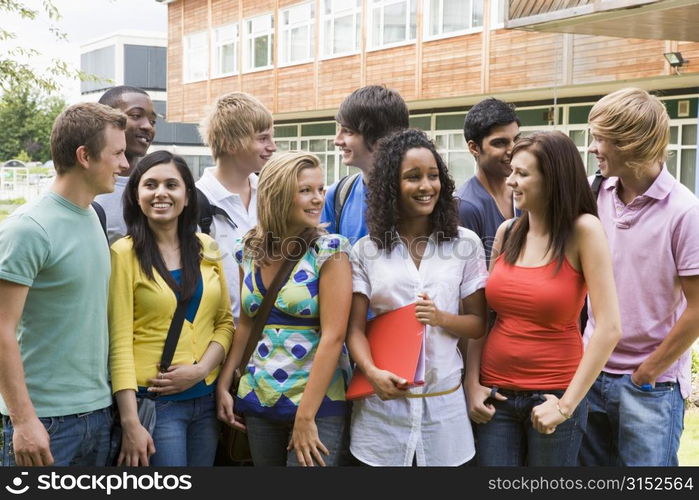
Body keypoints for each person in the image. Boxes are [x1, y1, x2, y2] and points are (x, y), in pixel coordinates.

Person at [466, 131, 622, 466]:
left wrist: (565, 406)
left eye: (522, 173)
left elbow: (609, 327)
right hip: (497, 398)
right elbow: (484, 318)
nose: (510, 182)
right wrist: (472, 383)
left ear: (552, 178)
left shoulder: (584, 231)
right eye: (511, 172)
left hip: (554, 396)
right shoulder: (508, 232)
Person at [346, 129, 488, 466]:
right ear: (391, 186)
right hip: (382, 422)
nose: (426, 186)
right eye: (413, 177)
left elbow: (478, 324)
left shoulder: (464, 244)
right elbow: (353, 330)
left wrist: (441, 318)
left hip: (445, 420)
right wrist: (371, 372)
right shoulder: (366, 250)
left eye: (433, 176)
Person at [0, 102, 128, 466]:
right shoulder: (28, 228)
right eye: (117, 153)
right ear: (84, 156)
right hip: (45, 423)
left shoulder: (93, 216)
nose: (125, 165)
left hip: (99, 415)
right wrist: (24, 420)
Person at [579, 88, 699, 466]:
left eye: (601, 139)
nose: (593, 148)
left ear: (630, 143)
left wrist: (648, 371)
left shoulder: (685, 212)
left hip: (650, 387)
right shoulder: (593, 194)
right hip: (589, 373)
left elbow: (697, 309)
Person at [217, 151, 352, 467]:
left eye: (320, 189)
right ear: (276, 195)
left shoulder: (330, 250)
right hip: (259, 396)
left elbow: (334, 336)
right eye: (306, 190)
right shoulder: (247, 249)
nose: (318, 199)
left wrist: (305, 417)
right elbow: (248, 324)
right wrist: (225, 384)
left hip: (317, 403)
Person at [109, 150, 234, 466]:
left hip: (204, 401)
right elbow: (119, 342)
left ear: (188, 196)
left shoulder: (207, 246)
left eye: (171, 185)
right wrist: (130, 423)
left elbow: (224, 323)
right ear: (137, 196)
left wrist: (202, 369)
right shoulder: (123, 254)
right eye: (150, 185)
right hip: (155, 404)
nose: (160, 193)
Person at [196, 91, 276, 323]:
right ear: (231, 144)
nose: (272, 146)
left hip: (272, 340)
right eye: (263, 138)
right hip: (218, 338)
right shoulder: (195, 202)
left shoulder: (273, 195)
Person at [321, 85, 409, 245]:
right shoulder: (338, 195)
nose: (337, 141)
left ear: (381, 137)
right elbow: (324, 260)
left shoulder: (419, 195)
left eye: (348, 131)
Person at [455, 98, 520, 264]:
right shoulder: (465, 206)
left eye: (516, 140)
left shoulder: (524, 194)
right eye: (500, 143)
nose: (512, 150)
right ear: (474, 148)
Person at [94, 85, 157, 244]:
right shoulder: (86, 190)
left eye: (153, 121)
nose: (148, 126)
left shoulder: (161, 187)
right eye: (136, 115)